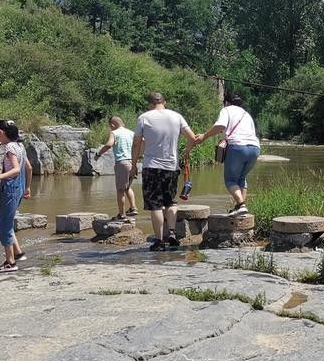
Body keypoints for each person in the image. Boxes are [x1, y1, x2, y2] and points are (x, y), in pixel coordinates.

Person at [131, 91, 198, 251]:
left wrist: (133, 165)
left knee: (155, 205)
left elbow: (136, 144)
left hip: (151, 167)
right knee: (170, 201)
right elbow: (192, 138)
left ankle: (159, 240)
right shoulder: (177, 116)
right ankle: (173, 234)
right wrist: (187, 151)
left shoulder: (144, 118)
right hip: (171, 167)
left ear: (150, 104)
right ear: (164, 102)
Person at [189, 94, 261, 215]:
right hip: (255, 148)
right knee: (241, 178)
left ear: (227, 102)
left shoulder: (226, 109)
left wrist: (204, 136)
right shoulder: (246, 114)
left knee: (230, 180)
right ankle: (240, 208)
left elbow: (220, 126)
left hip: (237, 147)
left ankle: (241, 205)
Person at [0, 119, 31, 273]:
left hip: (10, 188)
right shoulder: (20, 146)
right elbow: (29, 168)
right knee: (5, 220)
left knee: (3, 223)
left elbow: (15, 170)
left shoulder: (10, 147)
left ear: (1, 132)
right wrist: (27, 187)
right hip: (19, 188)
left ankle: (10, 262)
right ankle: (18, 253)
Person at [96, 116, 138, 220]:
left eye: (110, 126)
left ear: (112, 125)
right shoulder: (131, 133)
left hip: (122, 163)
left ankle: (122, 214)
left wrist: (99, 153)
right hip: (132, 163)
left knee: (120, 190)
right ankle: (133, 208)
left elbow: (109, 144)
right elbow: (140, 143)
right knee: (127, 187)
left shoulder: (114, 133)